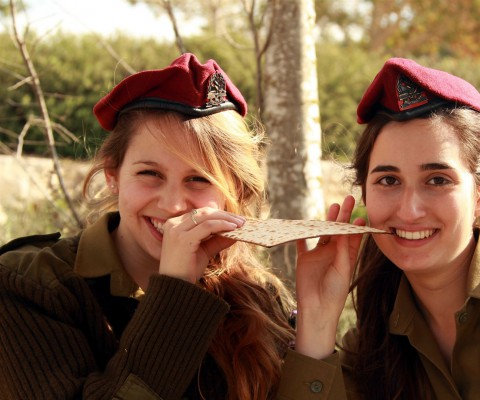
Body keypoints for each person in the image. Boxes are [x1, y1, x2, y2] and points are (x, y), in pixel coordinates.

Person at [276, 58, 480, 399]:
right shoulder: (370, 348)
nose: (409, 210)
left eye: (437, 180)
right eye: (388, 180)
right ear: (365, 196)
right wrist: (317, 321)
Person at [0, 53, 295, 399]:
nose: (172, 205)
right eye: (149, 173)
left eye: (199, 179)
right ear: (113, 176)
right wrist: (174, 293)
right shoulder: (30, 284)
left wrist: (318, 323)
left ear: (235, 192)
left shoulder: (257, 294)